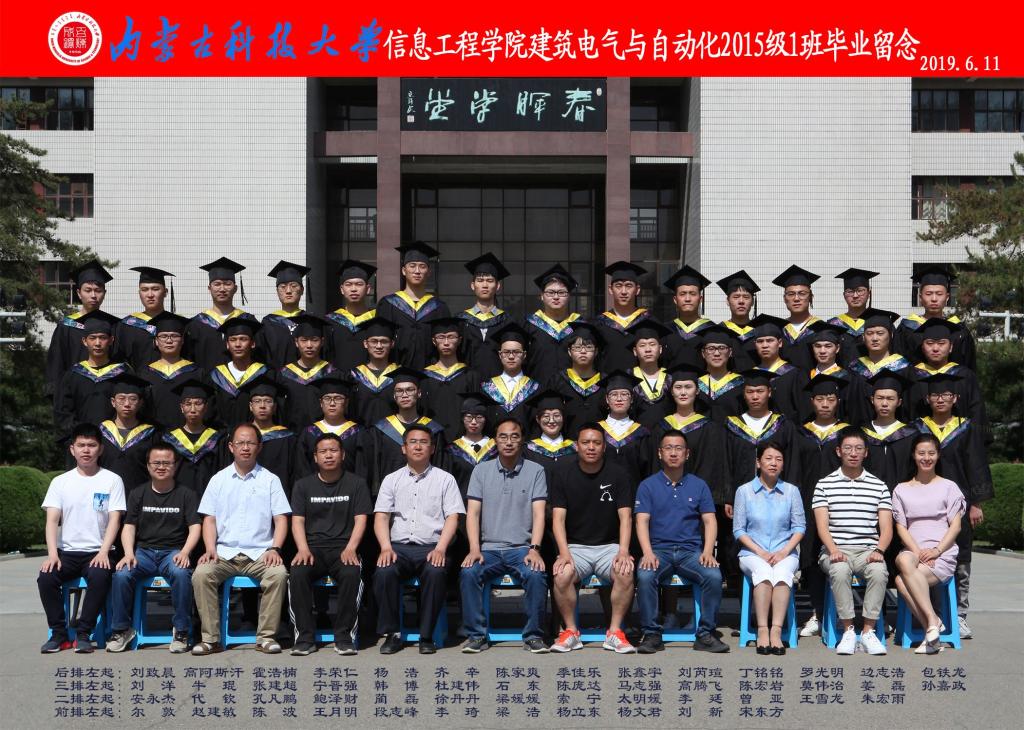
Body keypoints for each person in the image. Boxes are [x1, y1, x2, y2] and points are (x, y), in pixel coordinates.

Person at [190, 423, 291, 655]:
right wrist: (210, 548)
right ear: (231, 447)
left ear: (259, 447)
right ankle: (211, 639)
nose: (245, 448)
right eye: (240, 443)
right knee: (202, 574)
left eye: (250, 443)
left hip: (260, 554)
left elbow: (281, 519)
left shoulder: (270, 480)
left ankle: (266, 637)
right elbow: (209, 519)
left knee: (278, 575)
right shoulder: (218, 479)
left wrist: (275, 548)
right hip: (224, 553)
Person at [634, 429, 731, 654]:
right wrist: (647, 552)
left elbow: (710, 520)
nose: (673, 453)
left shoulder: (699, 485)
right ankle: (652, 634)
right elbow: (641, 521)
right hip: (659, 550)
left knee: (713, 576)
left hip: (690, 552)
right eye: (668, 448)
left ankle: (705, 634)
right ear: (660, 453)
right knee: (645, 576)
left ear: (687, 454)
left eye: (678, 448)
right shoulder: (647, 485)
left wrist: (708, 551)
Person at [913, 371, 993, 640]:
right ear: (927, 398)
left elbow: (976, 464)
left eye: (946, 395)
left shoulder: (966, 427)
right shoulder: (918, 428)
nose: (940, 399)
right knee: (925, 555)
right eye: (935, 395)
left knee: (961, 556)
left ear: (955, 398)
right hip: (924, 505)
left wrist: (976, 503)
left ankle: (959, 614)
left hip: (959, 503)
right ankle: (930, 613)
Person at [459, 418, 550, 654]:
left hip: (521, 549)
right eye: (503, 436)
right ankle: (476, 635)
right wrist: (474, 548)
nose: (509, 442)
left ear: (522, 440)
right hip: (488, 549)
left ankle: (533, 635)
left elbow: (539, 514)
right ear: (495, 441)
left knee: (536, 574)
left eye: (514, 436)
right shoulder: (481, 470)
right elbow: (472, 513)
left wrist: (535, 549)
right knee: (468, 572)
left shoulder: (536, 471)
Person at [373, 424, 466, 655]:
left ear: (432, 448)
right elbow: (381, 516)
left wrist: (441, 548)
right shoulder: (391, 479)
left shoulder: (445, 479)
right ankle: (393, 633)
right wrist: (385, 547)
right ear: (403, 448)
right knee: (384, 572)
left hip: (432, 546)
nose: (418, 446)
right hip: (399, 547)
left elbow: (453, 517)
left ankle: (427, 635)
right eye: (413, 442)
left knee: (435, 572)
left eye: (423, 442)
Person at [38, 423, 126, 653]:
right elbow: (51, 521)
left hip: (99, 551)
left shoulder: (112, 480)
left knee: (99, 575)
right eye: (81, 445)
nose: (86, 450)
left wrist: (104, 551)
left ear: (101, 449)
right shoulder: (60, 482)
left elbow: (115, 520)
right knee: (46, 578)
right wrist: (52, 555)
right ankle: (59, 635)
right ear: (72, 449)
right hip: (67, 553)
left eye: (91, 445)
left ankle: (84, 633)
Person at [548, 424, 636, 654]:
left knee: (625, 572)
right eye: (585, 442)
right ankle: (570, 632)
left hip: (609, 546)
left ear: (604, 446)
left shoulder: (619, 474)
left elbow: (626, 517)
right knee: (561, 574)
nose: (591, 447)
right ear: (576, 446)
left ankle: (615, 632)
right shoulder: (563, 473)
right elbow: (558, 519)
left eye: (596, 443)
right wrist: (564, 552)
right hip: (576, 547)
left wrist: (623, 550)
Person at [105, 444, 201, 654]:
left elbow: (195, 527)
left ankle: (181, 631)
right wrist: (128, 553)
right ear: (148, 466)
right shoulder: (138, 493)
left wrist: (185, 552)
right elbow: (129, 526)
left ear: (175, 466)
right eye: (156, 462)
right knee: (122, 574)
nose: (161, 467)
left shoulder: (187, 494)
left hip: (173, 552)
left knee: (181, 573)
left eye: (166, 463)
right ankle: (121, 630)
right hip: (144, 553)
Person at [287, 432, 373, 656]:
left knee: (352, 573)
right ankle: (304, 638)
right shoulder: (303, 485)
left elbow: (361, 519)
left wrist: (351, 548)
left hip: (344, 548)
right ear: (315, 457)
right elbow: (297, 520)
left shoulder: (357, 484)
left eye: (333, 450)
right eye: (323, 451)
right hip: (312, 548)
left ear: (342, 454)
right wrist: (302, 548)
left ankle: (343, 636)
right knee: (297, 573)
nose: (328, 455)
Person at [812, 427, 892, 655]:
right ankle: (848, 630)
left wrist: (879, 550)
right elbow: (822, 527)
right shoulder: (824, 484)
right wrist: (833, 549)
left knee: (879, 572)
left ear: (866, 452)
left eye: (858, 448)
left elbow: (886, 529)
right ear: (839, 451)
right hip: (835, 548)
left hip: (868, 550)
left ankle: (867, 631)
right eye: (848, 448)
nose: (853, 453)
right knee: (839, 570)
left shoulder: (879, 485)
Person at [891, 433, 965, 654]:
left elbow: (955, 527)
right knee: (903, 559)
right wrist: (919, 552)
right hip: (914, 551)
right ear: (914, 455)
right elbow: (901, 527)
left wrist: (936, 551)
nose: (926, 458)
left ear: (938, 455)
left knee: (900, 580)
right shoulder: (901, 489)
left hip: (942, 552)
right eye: (921, 453)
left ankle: (931, 629)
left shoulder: (949, 487)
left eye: (931, 453)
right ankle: (933, 621)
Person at [733, 442, 806, 655]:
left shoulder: (791, 491)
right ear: (758, 462)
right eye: (768, 458)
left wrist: (784, 552)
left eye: (778, 459)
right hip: (752, 552)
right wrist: (761, 552)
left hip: (785, 551)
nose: (773, 463)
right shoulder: (744, 491)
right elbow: (739, 530)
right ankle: (762, 630)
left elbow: (799, 527)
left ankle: (776, 630)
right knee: (764, 572)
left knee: (782, 574)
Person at [364, 368, 448, 493]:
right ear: (394, 396)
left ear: (419, 393)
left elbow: (439, 466)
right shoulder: (381, 430)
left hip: (427, 494)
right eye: (399, 391)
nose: (404, 395)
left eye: (410, 390)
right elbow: (376, 468)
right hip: (392, 494)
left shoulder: (433, 429)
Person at [376, 241, 452, 371]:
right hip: (396, 374)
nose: (417, 271)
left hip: (431, 374)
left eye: (422, 266)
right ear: (404, 271)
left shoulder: (439, 307)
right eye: (412, 266)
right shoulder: (388, 304)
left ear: (428, 272)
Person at [45, 260, 114, 399]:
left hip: (106, 397)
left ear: (104, 293)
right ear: (79, 293)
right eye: (88, 290)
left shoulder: (113, 325)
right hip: (73, 395)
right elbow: (56, 365)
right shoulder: (66, 327)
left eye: (98, 290)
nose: (93, 295)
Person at [53, 310, 127, 439]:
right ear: (84, 341)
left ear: (111, 340)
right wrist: (82, 436)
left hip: (115, 441)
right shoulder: (73, 375)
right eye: (92, 338)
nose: (97, 343)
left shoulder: (123, 373)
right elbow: (63, 413)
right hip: (82, 442)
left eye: (102, 338)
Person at [906, 318, 987, 431]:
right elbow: (905, 414)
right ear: (922, 348)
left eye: (941, 343)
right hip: (919, 438)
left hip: (961, 438)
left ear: (951, 347)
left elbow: (977, 413)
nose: (935, 348)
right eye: (930, 343)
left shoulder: (965, 376)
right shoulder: (911, 376)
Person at [894, 264, 977, 371]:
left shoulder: (959, 330)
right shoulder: (907, 328)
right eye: (928, 294)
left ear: (947, 297)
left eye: (939, 294)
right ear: (920, 297)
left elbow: (968, 365)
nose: (934, 299)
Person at [184, 257, 257, 373]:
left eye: (227, 284)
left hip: (243, 382)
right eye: (217, 284)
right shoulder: (195, 324)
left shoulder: (248, 320)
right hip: (205, 382)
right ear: (209, 288)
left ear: (235, 288)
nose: (222, 289)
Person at [845, 308, 911, 426]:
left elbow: (909, 407)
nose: (875, 338)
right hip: (859, 431)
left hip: (895, 431)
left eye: (880, 333)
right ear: (863, 337)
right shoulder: (855, 368)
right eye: (869, 333)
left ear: (890, 335)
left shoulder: (903, 367)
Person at [161, 380, 227, 497]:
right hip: (177, 498)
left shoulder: (218, 439)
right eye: (188, 404)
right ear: (182, 407)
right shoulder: (170, 440)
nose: (193, 409)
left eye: (198, 403)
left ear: (206, 407)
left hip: (210, 498)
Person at [420, 317, 482, 442]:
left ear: (459, 340)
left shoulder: (470, 376)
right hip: (432, 439)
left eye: (451, 337)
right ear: (433, 341)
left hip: (463, 440)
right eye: (441, 337)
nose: (446, 342)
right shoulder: (424, 377)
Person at [138, 312, 202, 430]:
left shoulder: (196, 373)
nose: (169, 341)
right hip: (154, 434)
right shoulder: (145, 374)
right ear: (156, 341)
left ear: (182, 340)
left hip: (187, 434)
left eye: (174, 336)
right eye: (163, 336)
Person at [524, 264, 584, 386]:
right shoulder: (529, 326)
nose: (556, 297)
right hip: (538, 391)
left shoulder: (580, 326)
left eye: (561, 292)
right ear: (541, 296)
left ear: (569, 296)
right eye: (550, 292)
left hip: (572, 391)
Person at [277, 313, 338, 432]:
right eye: (304, 340)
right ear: (296, 342)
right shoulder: (284, 375)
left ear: (322, 342)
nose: (309, 345)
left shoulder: (333, 374)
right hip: (292, 435)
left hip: (323, 436)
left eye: (314, 340)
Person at [98, 373, 158, 491]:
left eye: (133, 399)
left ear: (140, 403)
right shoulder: (101, 432)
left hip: (139, 495)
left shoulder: (152, 435)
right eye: (121, 398)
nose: (127, 404)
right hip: (105, 493)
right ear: (113, 402)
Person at [207, 317, 271, 429]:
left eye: (243, 339)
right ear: (227, 344)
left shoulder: (265, 374)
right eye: (233, 340)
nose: (237, 344)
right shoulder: (216, 376)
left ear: (252, 343)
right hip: (223, 435)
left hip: (256, 435)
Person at [297, 376, 366, 480]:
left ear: (346, 403)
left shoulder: (357, 432)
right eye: (327, 398)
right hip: (315, 488)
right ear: (321, 403)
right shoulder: (309, 433)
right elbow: (302, 468)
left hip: (349, 487)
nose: (332, 403)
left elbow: (362, 469)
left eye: (338, 398)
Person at [545, 321, 605, 437]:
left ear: (596, 351)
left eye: (588, 347)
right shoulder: (557, 381)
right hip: (565, 444)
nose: (583, 351)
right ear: (569, 351)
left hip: (597, 444)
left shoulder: (605, 382)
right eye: (577, 347)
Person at [457, 252, 512, 380]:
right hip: (467, 383)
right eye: (480, 280)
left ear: (498, 286)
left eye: (490, 281)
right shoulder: (461, 320)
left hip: (499, 385)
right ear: (473, 285)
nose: (485, 285)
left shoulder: (508, 321)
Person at [594, 261, 655, 373]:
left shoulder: (649, 322)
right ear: (610, 289)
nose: (623, 292)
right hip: (609, 383)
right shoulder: (599, 324)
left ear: (637, 290)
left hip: (641, 383)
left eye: (628, 286)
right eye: (618, 286)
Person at [749, 313, 809, 423]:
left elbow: (804, 412)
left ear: (780, 343)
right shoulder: (750, 375)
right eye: (760, 341)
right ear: (755, 344)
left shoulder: (795, 375)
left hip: (789, 431)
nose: (765, 345)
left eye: (770, 340)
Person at [242, 376, 298, 493]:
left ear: (275, 407)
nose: (262, 405)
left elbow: (294, 475)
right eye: (257, 401)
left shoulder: (287, 438)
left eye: (268, 401)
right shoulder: (239, 437)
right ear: (250, 406)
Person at [596, 370, 651, 486]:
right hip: (601, 491)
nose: (619, 399)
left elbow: (647, 470)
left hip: (633, 491)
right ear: (607, 399)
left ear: (632, 399)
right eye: (614, 394)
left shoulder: (641, 433)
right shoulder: (596, 430)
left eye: (625, 394)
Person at [481, 322, 540, 428]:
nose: (511, 356)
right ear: (500, 355)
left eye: (516, 352)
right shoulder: (487, 387)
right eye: (506, 352)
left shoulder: (535, 388)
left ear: (524, 355)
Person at [116, 266, 175, 371]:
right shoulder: (126, 326)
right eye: (144, 290)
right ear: (139, 293)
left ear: (165, 292)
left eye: (155, 289)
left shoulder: (177, 324)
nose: (150, 295)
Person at [325, 259, 377, 373]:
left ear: (368, 289)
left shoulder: (376, 321)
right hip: (337, 381)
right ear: (342, 289)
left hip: (369, 382)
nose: (353, 289)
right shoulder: (330, 322)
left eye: (359, 284)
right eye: (348, 284)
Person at [258, 260, 311, 370]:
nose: (288, 291)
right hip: (276, 378)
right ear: (277, 292)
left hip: (308, 378)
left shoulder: (311, 321)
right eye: (283, 287)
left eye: (293, 286)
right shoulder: (268, 323)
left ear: (302, 290)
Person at [348, 317, 400, 428]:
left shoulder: (399, 375)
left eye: (384, 341)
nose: (379, 346)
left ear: (392, 344)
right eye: (374, 341)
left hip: (393, 435)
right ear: (365, 344)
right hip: (362, 434)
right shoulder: (353, 376)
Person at [660, 265, 714, 370]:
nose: (687, 299)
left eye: (692, 294)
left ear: (700, 299)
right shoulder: (665, 331)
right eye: (682, 294)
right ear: (675, 299)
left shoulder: (711, 330)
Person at [443, 393, 497, 496]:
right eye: (469, 417)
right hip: (461, 502)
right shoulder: (452, 450)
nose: (473, 422)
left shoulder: (495, 448)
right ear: (462, 419)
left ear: (485, 419)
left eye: (479, 417)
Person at [773, 265, 822, 374]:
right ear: (784, 299)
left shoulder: (821, 328)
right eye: (791, 294)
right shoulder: (778, 329)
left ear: (811, 297)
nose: (796, 298)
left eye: (802, 293)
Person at [696, 325, 746, 424]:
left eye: (722, 348)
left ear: (730, 352)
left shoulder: (741, 383)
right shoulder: (695, 384)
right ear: (703, 353)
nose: (716, 353)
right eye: (711, 348)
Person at [828, 268, 879, 366]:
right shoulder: (833, 325)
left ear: (869, 293)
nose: (855, 295)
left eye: (860, 291)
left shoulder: (880, 323)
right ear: (844, 295)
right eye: (850, 291)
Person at [629, 319, 675, 429]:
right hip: (636, 436)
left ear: (660, 349)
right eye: (642, 345)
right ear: (635, 351)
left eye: (652, 344)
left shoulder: (671, 378)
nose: (648, 349)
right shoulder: (628, 378)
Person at [523, 389, 577, 475]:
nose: (551, 421)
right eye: (546, 416)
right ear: (538, 419)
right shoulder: (528, 450)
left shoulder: (575, 448)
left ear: (563, 418)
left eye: (556, 415)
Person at [715, 270, 759, 371]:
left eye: (746, 297)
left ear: (752, 302)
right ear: (727, 301)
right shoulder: (719, 331)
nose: (741, 301)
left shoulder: (760, 331)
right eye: (736, 297)